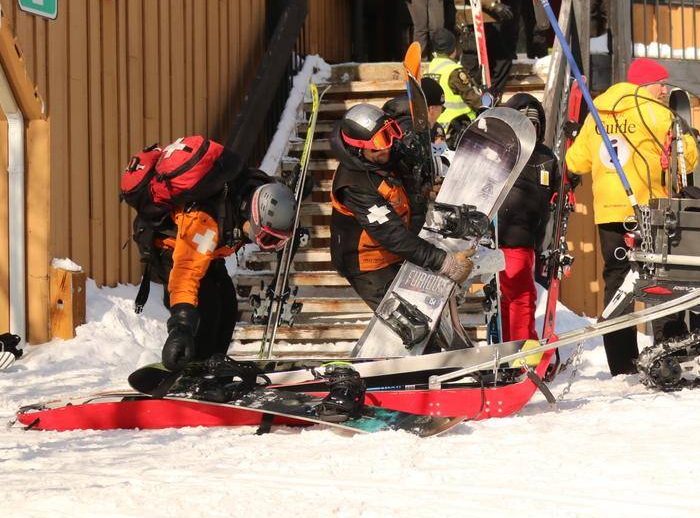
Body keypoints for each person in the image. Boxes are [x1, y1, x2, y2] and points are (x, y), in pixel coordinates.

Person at [565, 58, 698, 375]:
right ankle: (668, 354)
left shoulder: (598, 111)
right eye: (661, 84)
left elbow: (576, 162)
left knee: (616, 283)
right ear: (646, 86)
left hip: (609, 215)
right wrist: (689, 135)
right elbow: (687, 161)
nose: (665, 90)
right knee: (661, 279)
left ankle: (622, 365)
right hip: (649, 211)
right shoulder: (658, 114)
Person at [139, 138, 298, 371]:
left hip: (210, 254)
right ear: (252, 217)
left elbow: (273, 197)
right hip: (175, 251)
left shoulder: (254, 187)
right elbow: (186, 275)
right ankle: (192, 368)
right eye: (265, 238)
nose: (266, 245)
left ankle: (213, 368)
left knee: (227, 307)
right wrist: (180, 326)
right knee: (208, 313)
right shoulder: (205, 223)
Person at [329, 103, 476, 347]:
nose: (386, 149)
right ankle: (419, 367)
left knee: (433, 311)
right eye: (378, 146)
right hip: (368, 265)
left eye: (388, 138)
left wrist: (429, 182)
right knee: (414, 327)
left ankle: (448, 358)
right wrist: (445, 263)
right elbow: (393, 236)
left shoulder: (385, 156)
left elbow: (412, 172)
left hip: (399, 253)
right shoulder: (354, 185)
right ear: (358, 149)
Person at [495, 93, 559, 341]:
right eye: (525, 125)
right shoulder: (502, 150)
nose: (530, 130)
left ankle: (510, 347)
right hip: (508, 237)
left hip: (527, 238)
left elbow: (555, 191)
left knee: (511, 296)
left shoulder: (546, 157)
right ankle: (522, 349)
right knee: (520, 296)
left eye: (535, 125)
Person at [427, 27, 487, 149]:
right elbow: (474, 100)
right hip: (456, 129)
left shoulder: (429, 68)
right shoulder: (454, 71)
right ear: (453, 49)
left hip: (434, 128)